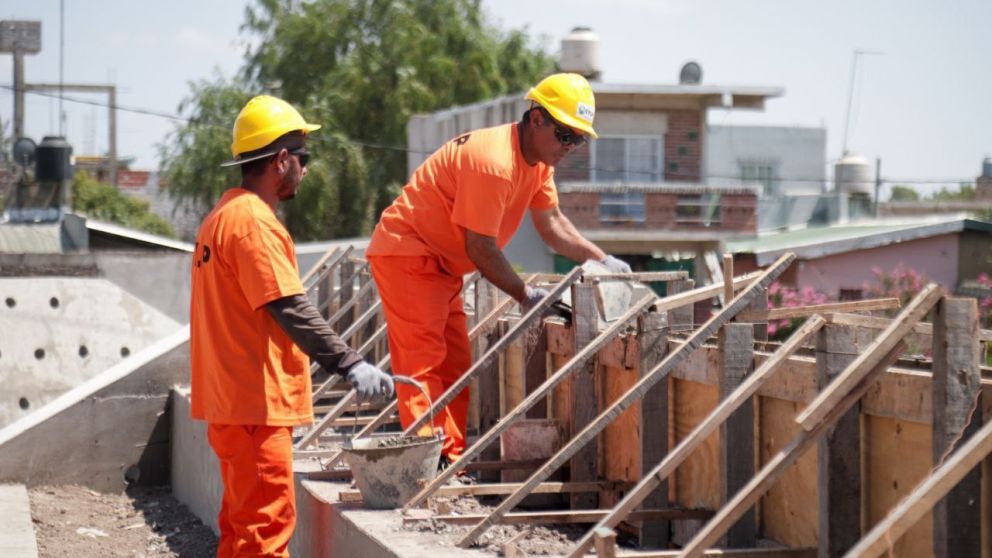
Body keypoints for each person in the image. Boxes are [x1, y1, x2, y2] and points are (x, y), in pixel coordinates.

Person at [366, 73, 630, 467]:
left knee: (454, 364)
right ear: (537, 119)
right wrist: (525, 295)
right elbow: (481, 247)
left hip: (440, 263)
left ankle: (447, 457)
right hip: (409, 252)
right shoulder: (493, 162)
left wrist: (599, 259)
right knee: (423, 364)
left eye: (578, 139)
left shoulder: (538, 164)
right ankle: (423, 465)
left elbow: (552, 224)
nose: (570, 147)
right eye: (565, 135)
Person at [189, 95, 394, 557]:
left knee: (242, 531)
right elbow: (288, 306)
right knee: (264, 531)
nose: (306, 168)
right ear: (281, 161)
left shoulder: (220, 217)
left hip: (231, 405)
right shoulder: (252, 224)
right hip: (254, 408)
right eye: (304, 158)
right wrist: (349, 362)